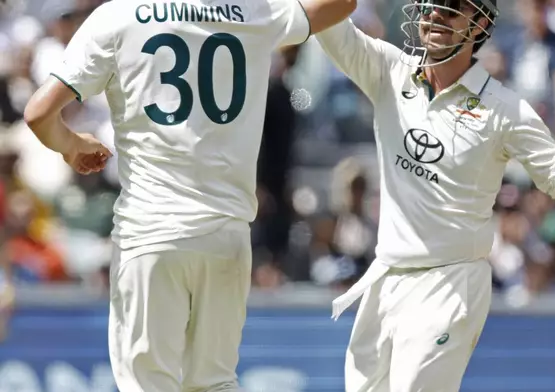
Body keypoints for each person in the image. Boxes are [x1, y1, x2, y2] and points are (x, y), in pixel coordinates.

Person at [22, 0, 357, 391]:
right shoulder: (254, 12)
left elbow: (38, 113)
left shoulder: (117, 16)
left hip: (150, 231)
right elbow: (341, 4)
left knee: (149, 384)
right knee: (215, 383)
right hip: (227, 235)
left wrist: (71, 144)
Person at [315, 0, 555, 391]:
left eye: (449, 10)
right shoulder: (389, 70)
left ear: (479, 23)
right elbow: (326, 25)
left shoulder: (504, 109)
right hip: (386, 278)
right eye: (429, 7)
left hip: (450, 283)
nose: (434, 18)